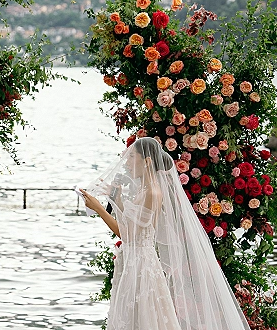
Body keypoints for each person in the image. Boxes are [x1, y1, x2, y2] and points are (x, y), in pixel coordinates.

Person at [81, 137, 251, 330]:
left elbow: (127, 234)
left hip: (141, 263)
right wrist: (117, 199)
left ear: (146, 161)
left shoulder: (152, 192)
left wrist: (99, 208)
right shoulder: (145, 190)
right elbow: (133, 225)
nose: (127, 161)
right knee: (132, 317)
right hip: (133, 260)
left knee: (144, 317)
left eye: (132, 157)